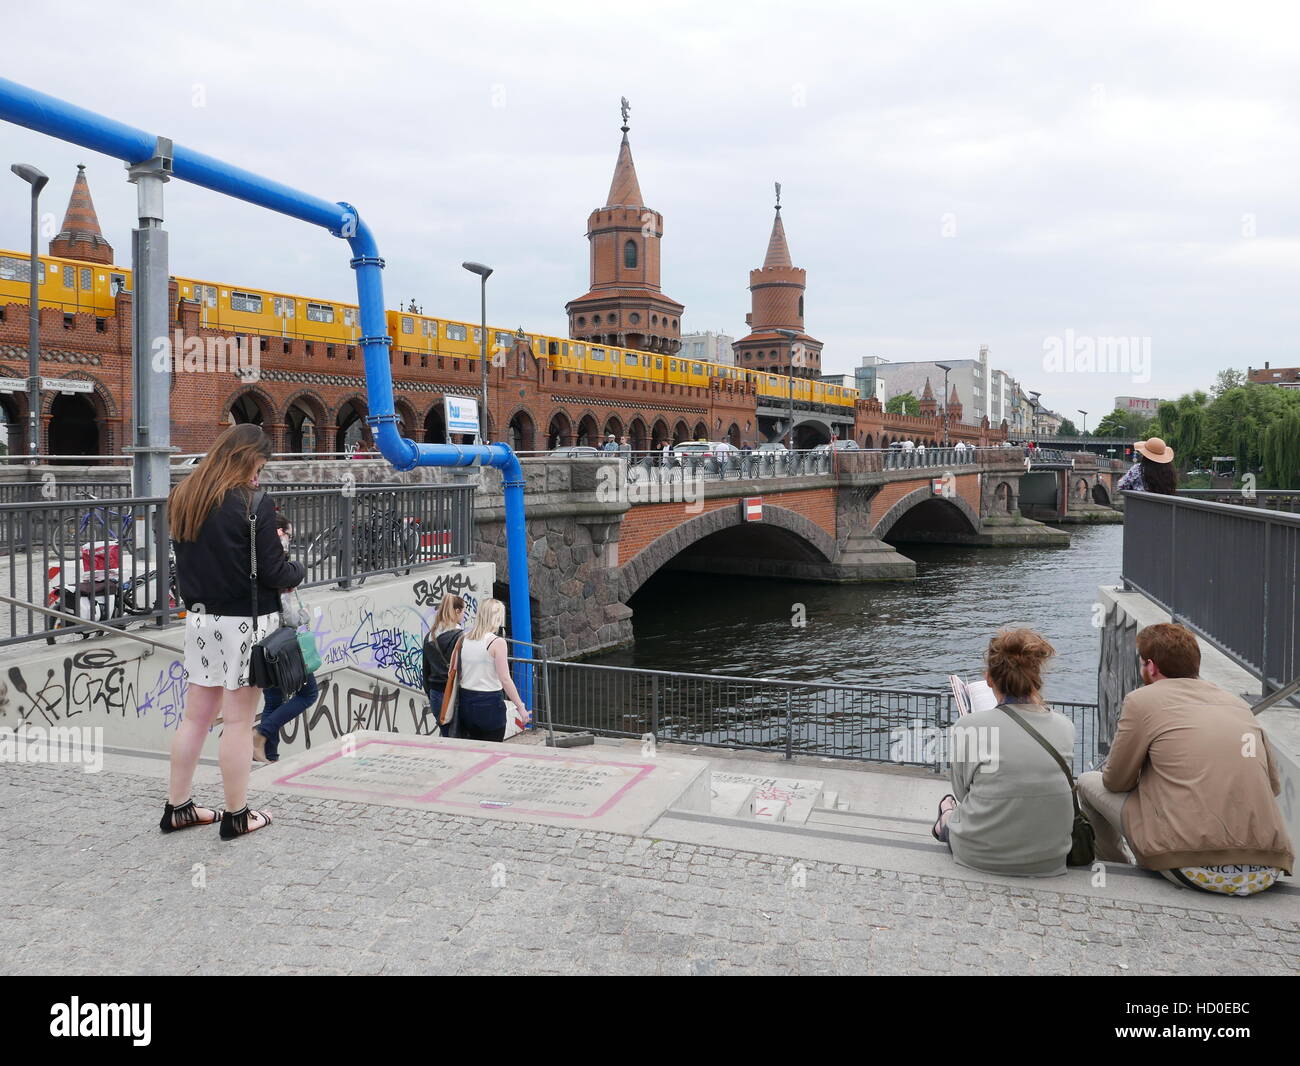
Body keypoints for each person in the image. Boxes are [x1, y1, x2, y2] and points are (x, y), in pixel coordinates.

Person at [164, 423, 305, 839]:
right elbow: (276, 571)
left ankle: (179, 808)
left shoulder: (185, 495)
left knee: (194, 718)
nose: (259, 475)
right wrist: (297, 567)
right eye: (259, 465)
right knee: (240, 723)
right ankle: (237, 814)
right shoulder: (252, 503)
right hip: (244, 623)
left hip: (201, 622)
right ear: (247, 458)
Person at [1077, 624, 1293, 895]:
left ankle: (1119, 872)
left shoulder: (1141, 701)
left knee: (1087, 782)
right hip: (1266, 869)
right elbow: (1272, 786)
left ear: (1151, 667)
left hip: (1192, 866)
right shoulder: (1236, 705)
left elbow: (1115, 781)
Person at [932, 629, 1076, 876]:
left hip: (980, 854)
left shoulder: (970, 726)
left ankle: (943, 817)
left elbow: (962, 792)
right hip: (1050, 857)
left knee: (950, 807)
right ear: (1036, 679)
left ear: (989, 680)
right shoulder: (1065, 726)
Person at [252, 513, 319, 764]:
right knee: (309, 693)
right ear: (280, 534)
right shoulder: (278, 565)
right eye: (288, 534)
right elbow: (289, 613)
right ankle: (260, 733)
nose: (290, 539)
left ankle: (268, 755)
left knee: (274, 699)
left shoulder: (254, 556)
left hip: (262, 641)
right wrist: (304, 616)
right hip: (282, 641)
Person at [457, 598, 531, 742]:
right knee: (492, 747)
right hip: (489, 703)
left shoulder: (463, 638)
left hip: (466, 701)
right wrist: (520, 707)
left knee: (472, 749)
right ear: (497, 617)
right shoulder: (497, 643)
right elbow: (505, 679)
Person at [421, 593, 467, 737]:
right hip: (455, 694)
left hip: (436, 693)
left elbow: (425, 669)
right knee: (461, 737)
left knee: (446, 735)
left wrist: (430, 692)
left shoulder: (430, 635)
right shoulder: (461, 637)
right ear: (457, 611)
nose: (464, 615)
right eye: (464, 611)